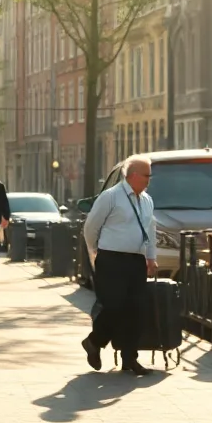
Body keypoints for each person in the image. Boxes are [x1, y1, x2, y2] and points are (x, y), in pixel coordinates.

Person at [81, 157, 157, 376]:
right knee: (114, 305)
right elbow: (91, 227)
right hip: (111, 259)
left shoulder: (147, 200)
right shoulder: (111, 196)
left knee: (136, 309)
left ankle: (129, 359)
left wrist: (150, 257)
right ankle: (94, 342)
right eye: (146, 175)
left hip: (136, 261)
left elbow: (150, 230)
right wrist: (96, 251)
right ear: (132, 175)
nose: (149, 180)